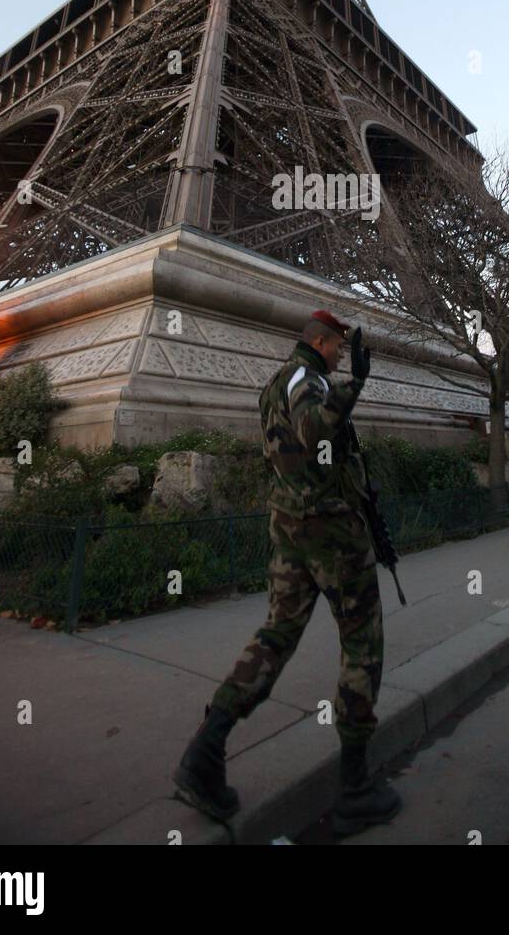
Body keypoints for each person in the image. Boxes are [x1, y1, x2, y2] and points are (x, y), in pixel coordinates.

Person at [172, 309, 401, 837]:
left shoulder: (278, 380)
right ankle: (356, 785)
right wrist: (356, 386)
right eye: (338, 347)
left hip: (291, 528)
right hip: (331, 534)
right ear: (319, 342)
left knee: (276, 637)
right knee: (363, 643)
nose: (342, 354)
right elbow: (313, 428)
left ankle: (205, 750)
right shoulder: (306, 379)